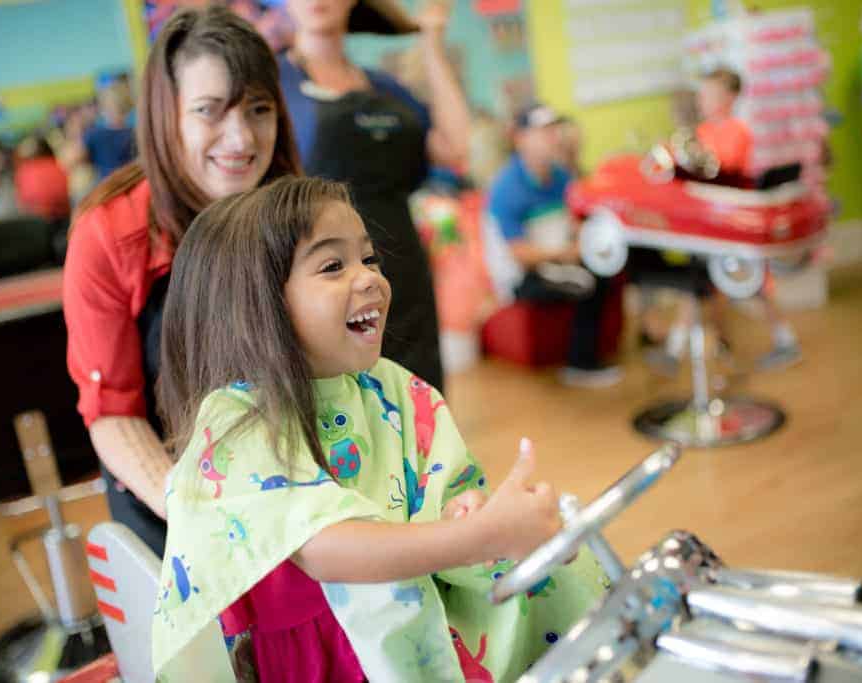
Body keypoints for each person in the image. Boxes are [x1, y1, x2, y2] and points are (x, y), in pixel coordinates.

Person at [152, 176, 609, 682]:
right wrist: (480, 535)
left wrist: (467, 512)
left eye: (368, 259)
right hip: (326, 661)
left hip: (424, 618)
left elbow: (442, 488)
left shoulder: (395, 389)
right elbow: (326, 548)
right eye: (333, 266)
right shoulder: (239, 421)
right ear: (253, 306)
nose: (369, 278)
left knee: (565, 573)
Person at [62, 5, 300, 557]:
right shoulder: (109, 235)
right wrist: (200, 516)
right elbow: (114, 416)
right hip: (173, 505)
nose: (240, 139)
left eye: (259, 110)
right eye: (209, 112)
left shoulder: (296, 212)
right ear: (167, 116)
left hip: (296, 485)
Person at [278, 0, 471, 392]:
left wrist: (431, 41)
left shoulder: (384, 87)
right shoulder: (272, 83)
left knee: (420, 406)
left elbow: (456, 145)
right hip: (324, 283)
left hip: (403, 271)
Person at [484, 103, 622, 387]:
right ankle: (579, 364)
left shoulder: (560, 177)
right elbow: (519, 254)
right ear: (520, 138)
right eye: (543, 131)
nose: (553, 137)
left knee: (609, 268)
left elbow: (575, 220)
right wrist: (567, 253)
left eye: (553, 130)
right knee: (587, 283)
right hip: (522, 276)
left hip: (557, 262)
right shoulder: (506, 187)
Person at [695, 67, 800, 369]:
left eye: (709, 94)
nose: (702, 99)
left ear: (728, 97)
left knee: (754, 282)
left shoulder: (737, 130)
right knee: (712, 284)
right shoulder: (703, 131)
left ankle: (785, 340)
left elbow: (723, 168)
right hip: (711, 217)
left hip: (734, 217)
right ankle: (722, 343)